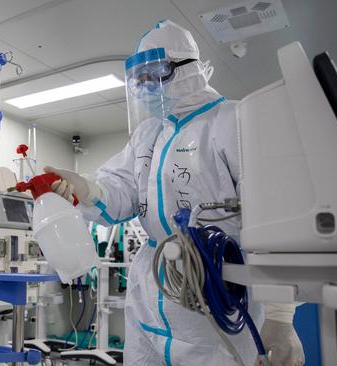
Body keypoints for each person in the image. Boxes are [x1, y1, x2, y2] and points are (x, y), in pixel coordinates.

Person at [44, 20, 304, 366]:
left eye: (157, 73)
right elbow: (122, 195)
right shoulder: (147, 135)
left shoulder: (234, 120)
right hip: (150, 298)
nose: (147, 87)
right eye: (140, 80)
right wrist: (87, 189)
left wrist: (280, 316)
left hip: (215, 299)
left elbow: (279, 215)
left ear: (189, 68)